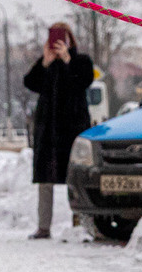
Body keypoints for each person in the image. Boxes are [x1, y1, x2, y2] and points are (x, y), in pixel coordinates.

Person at [22, 22, 96, 239]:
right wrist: (44, 62)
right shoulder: (47, 64)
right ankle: (43, 227)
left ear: (69, 39)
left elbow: (85, 80)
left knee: (74, 179)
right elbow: (29, 82)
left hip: (72, 129)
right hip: (48, 132)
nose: (56, 44)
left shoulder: (80, 61)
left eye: (60, 39)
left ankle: (78, 224)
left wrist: (67, 60)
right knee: (45, 180)